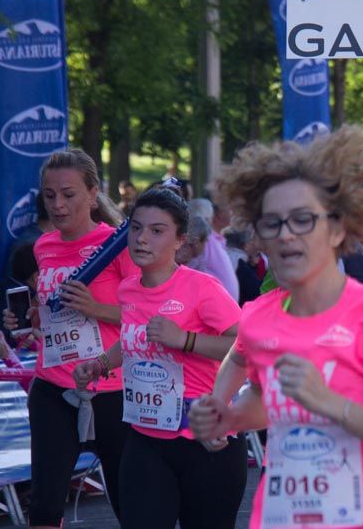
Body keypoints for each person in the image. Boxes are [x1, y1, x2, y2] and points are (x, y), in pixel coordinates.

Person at [188, 126, 363, 528]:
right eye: (271, 223)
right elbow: (266, 400)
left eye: (302, 220)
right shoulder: (258, 317)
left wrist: (332, 404)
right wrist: (227, 417)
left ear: (338, 229)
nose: (286, 234)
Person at [73, 188, 246, 529]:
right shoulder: (129, 289)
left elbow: (245, 347)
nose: (141, 239)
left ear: (180, 240)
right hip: (145, 438)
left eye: (156, 230)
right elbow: (134, 341)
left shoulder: (202, 288)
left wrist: (185, 340)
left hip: (206, 439)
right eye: (136, 228)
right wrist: (100, 365)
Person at [4, 148, 137, 528]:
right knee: (44, 507)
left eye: (68, 194)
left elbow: (147, 320)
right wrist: (27, 319)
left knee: (130, 503)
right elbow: (53, 314)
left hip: (112, 388)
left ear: (93, 194)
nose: (58, 205)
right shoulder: (42, 247)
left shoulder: (119, 244)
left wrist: (97, 309)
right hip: (53, 387)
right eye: (49, 195)